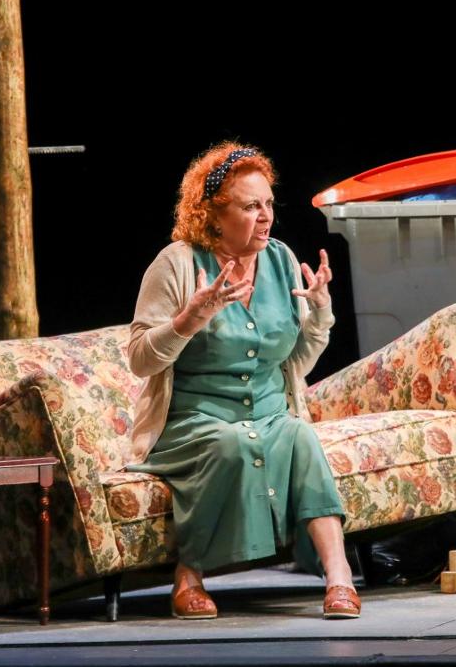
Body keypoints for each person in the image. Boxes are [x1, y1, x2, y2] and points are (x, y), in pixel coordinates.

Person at [123, 142, 360, 620]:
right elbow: (140, 360)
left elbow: (294, 362)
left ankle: (340, 579)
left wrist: (320, 314)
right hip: (194, 422)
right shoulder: (177, 264)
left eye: (269, 203)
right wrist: (189, 319)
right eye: (251, 206)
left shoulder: (281, 259)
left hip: (270, 415)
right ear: (213, 214)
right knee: (231, 444)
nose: (266, 216)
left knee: (300, 435)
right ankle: (188, 577)